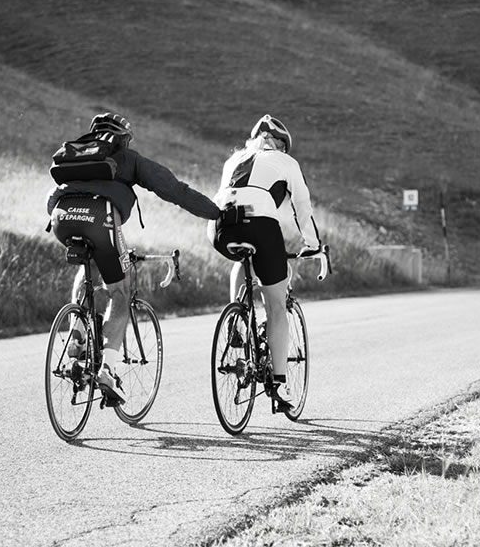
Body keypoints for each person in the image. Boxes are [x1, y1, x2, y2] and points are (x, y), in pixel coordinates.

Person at [48, 112, 219, 403]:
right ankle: (107, 370)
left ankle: (77, 332)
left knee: (88, 263)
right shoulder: (128, 158)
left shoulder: (76, 153)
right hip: (100, 218)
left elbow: (52, 196)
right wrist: (216, 213)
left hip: (61, 217)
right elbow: (174, 189)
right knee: (121, 290)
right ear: (124, 138)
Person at [209, 114, 320, 408]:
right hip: (260, 227)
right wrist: (314, 245)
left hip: (220, 227)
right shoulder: (286, 162)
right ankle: (278, 385)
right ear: (278, 142)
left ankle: (237, 321)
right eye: (284, 145)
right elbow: (302, 206)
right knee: (276, 304)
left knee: (241, 259)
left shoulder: (233, 159)